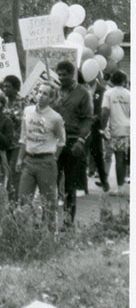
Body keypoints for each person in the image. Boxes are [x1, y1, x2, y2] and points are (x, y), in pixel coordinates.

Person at [17, 82, 67, 221]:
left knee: (48, 202)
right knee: (24, 199)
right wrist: (20, 159)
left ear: (51, 98)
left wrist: (53, 157)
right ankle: (28, 232)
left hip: (46, 162)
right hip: (29, 160)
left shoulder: (55, 118)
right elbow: (23, 137)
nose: (40, 96)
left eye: (45, 93)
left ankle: (49, 235)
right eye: (39, 92)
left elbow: (62, 141)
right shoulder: (28, 111)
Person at [53, 61, 93, 226]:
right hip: (54, 143)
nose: (61, 78)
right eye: (59, 75)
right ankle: (50, 221)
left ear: (72, 75)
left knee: (70, 185)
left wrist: (81, 141)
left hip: (73, 143)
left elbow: (87, 120)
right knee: (52, 182)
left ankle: (68, 224)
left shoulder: (83, 93)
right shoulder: (54, 92)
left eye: (65, 75)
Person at [101, 70, 130, 193]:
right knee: (121, 159)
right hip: (126, 129)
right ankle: (120, 187)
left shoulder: (108, 93)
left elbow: (105, 112)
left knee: (107, 157)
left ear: (112, 81)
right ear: (124, 81)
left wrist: (103, 127)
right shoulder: (129, 94)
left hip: (112, 129)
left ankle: (105, 183)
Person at [0, 75, 25, 200]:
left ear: (16, 88)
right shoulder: (2, 102)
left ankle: (13, 203)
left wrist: (13, 117)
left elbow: (24, 121)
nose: (5, 89)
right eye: (4, 86)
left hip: (16, 144)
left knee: (14, 175)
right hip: (3, 142)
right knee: (1, 173)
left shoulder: (23, 102)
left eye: (8, 86)